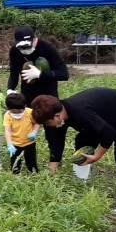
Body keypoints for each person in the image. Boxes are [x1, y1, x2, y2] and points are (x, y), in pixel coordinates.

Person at [30, 89, 116, 215]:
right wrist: (50, 175)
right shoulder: (61, 115)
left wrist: (97, 156)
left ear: (57, 116)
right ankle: (80, 184)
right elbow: (57, 144)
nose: (48, 126)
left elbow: (109, 134)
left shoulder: (80, 111)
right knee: (82, 142)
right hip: (102, 118)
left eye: (48, 123)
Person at [7, 25, 70, 164]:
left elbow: (64, 74)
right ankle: (23, 161)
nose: (24, 50)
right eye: (21, 47)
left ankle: (54, 161)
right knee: (23, 130)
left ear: (35, 39)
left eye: (27, 46)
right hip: (28, 96)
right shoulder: (15, 51)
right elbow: (13, 74)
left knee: (52, 131)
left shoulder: (47, 48)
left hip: (49, 96)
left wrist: (41, 74)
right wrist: (10, 90)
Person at [2, 91, 40, 173]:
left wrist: (34, 132)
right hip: (15, 144)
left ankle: (33, 173)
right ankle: (16, 175)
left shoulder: (30, 112)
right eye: (14, 112)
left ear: (24, 106)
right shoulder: (7, 116)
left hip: (29, 143)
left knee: (31, 161)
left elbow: (37, 122)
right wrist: (9, 144)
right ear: (8, 108)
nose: (17, 114)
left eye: (19, 112)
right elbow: (7, 130)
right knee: (15, 163)